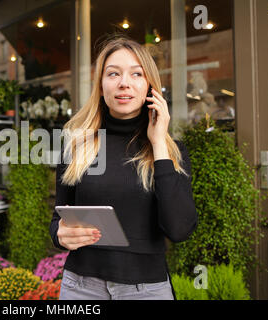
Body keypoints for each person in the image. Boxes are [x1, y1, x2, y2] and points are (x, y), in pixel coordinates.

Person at [49, 36, 198, 300]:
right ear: (101, 85)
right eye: (113, 73)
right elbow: (58, 220)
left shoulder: (172, 151)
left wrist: (158, 144)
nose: (124, 83)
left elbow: (179, 229)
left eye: (136, 74)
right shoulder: (76, 146)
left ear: (150, 86)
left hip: (146, 290)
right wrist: (59, 235)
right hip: (81, 288)